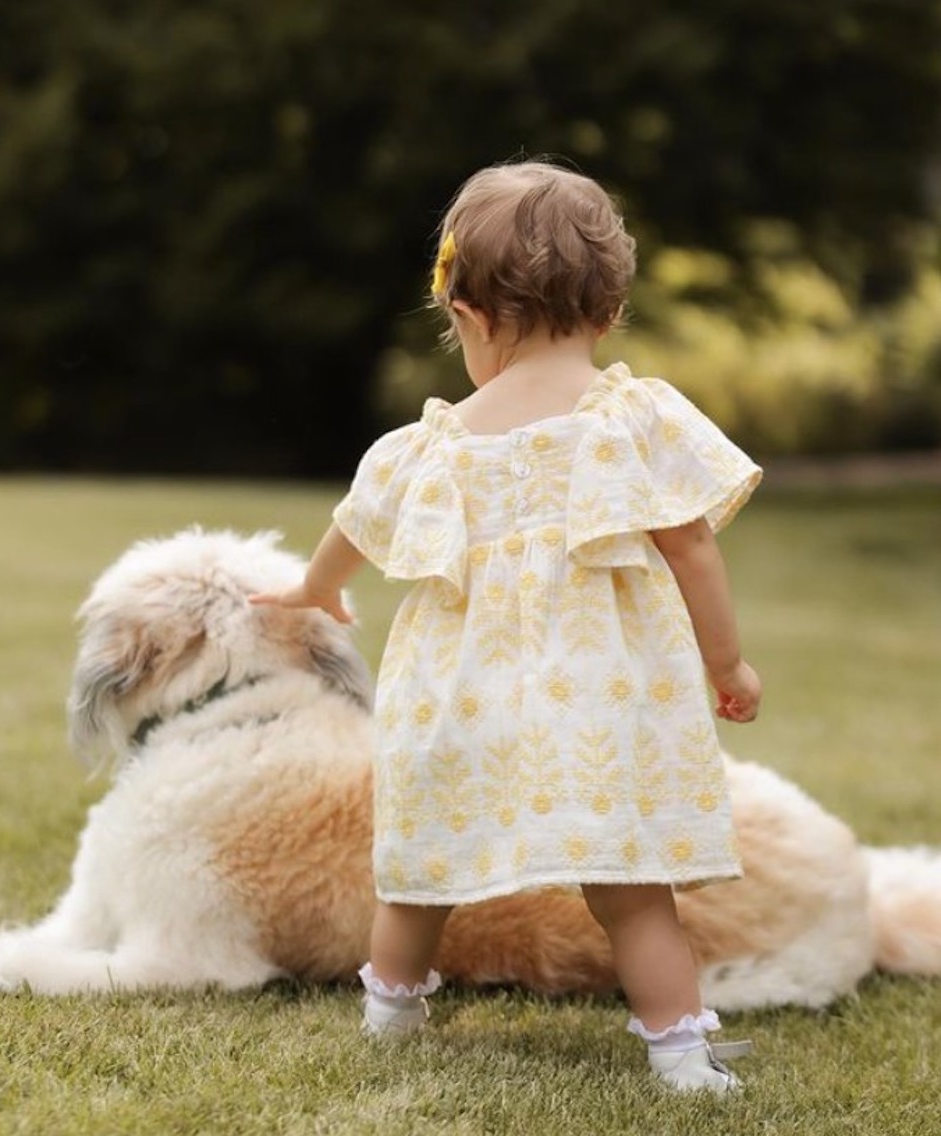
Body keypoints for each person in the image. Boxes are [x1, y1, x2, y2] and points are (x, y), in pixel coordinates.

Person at [250, 158, 762, 1093]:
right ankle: (683, 1055)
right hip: (600, 696)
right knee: (631, 885)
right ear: (608, 311)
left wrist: (314, 592)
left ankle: (389, 1015)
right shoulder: (634, 418)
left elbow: (351, 531)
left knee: (421, 869)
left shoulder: (429, 446)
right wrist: (728, 664)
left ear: (471, 315)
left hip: (460, 698)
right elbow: (690, 547)